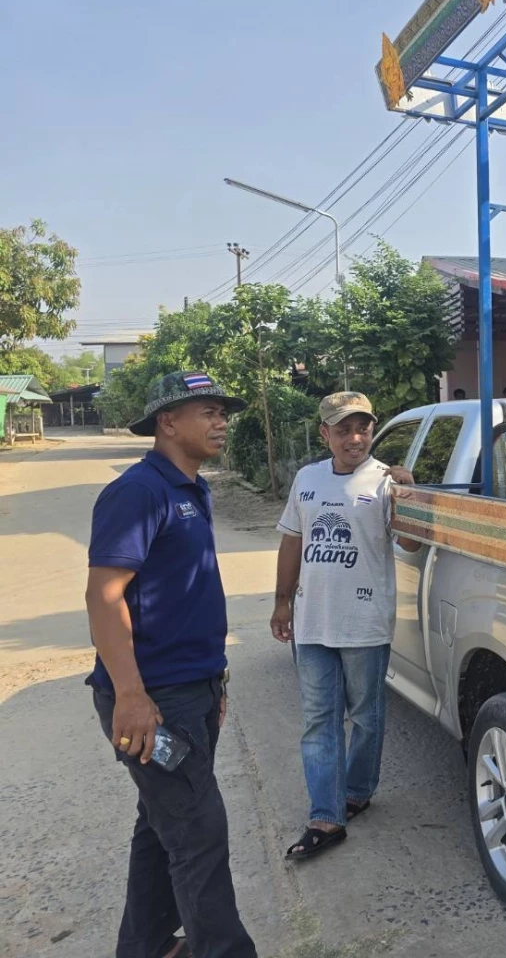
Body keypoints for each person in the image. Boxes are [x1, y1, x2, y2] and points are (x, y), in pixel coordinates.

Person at [86, 371, 257, 958]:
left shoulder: (192, 489)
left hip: (192, 690)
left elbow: (186, 597)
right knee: (198, 832)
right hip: (154, 699)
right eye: (208, 412)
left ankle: (149, 945)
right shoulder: (139, 492)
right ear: (167, 421)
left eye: (223, 412)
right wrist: (131, 695)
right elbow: (104, 596)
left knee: (162, 825)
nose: (221, 422)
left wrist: (215, 680)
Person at [270, 391, 420, 860]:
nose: (354, 438)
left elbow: (412, 545)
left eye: (362, 429)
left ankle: (357, 790)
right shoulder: (307, 479)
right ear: (325, 434)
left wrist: (410, 497)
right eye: (343, 430)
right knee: (320, 720)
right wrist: (281, 602)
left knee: (367, 717)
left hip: (364, 623)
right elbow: (292, 542)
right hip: (312, 620)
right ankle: (326, 816)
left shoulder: (386, 481)